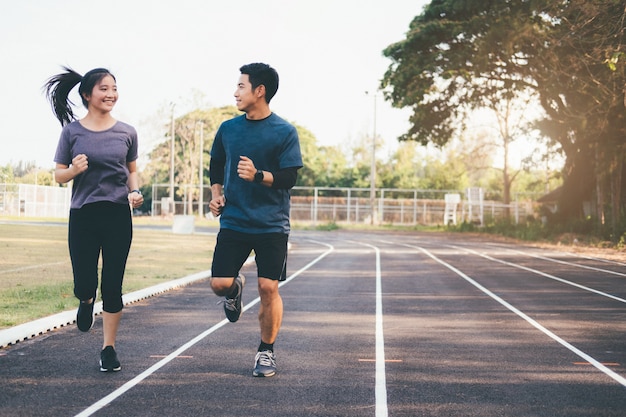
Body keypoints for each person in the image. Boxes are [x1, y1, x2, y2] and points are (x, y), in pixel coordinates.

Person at [44, 67, 143, 372]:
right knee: (85, 283)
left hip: (117, 215)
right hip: (83, 216)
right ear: (87, 95)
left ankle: (109, 348)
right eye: (103, 88)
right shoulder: (72, 132)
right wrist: (73, 170)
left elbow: (132, 170)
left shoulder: (127, 132)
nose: (110, 93)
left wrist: (135, 191)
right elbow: (59, 174)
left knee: (113, 286)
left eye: (114, 88)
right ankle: (86, 300)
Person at [208, 63, 303, 377]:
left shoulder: (284, 132)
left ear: (259, 91)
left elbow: (289, 177)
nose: (235, 92)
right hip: (234, 220)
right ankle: (234, 290)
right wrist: (216, 193)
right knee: (219, 284)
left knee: (268, 288)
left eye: (241, 86)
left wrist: (258, 175)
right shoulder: (229, 129)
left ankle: (266, 351)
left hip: (271, 225)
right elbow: (217, 163)